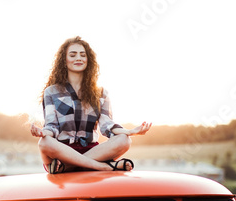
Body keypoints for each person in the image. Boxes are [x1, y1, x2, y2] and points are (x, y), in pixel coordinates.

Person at [30, 36, 151, 173]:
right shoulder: (51, 92)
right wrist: (42, 132)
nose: (78, 58)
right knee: (44, 142)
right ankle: (102, 166)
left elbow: (107, 125)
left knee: (124, 140)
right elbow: (52, 127)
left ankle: (68, 167)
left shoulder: (101, 93)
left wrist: (129, 132)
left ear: (89, 60)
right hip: (62, 152)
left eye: (83, 55)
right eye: (73, 54)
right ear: (64, 60)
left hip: (91, 151)